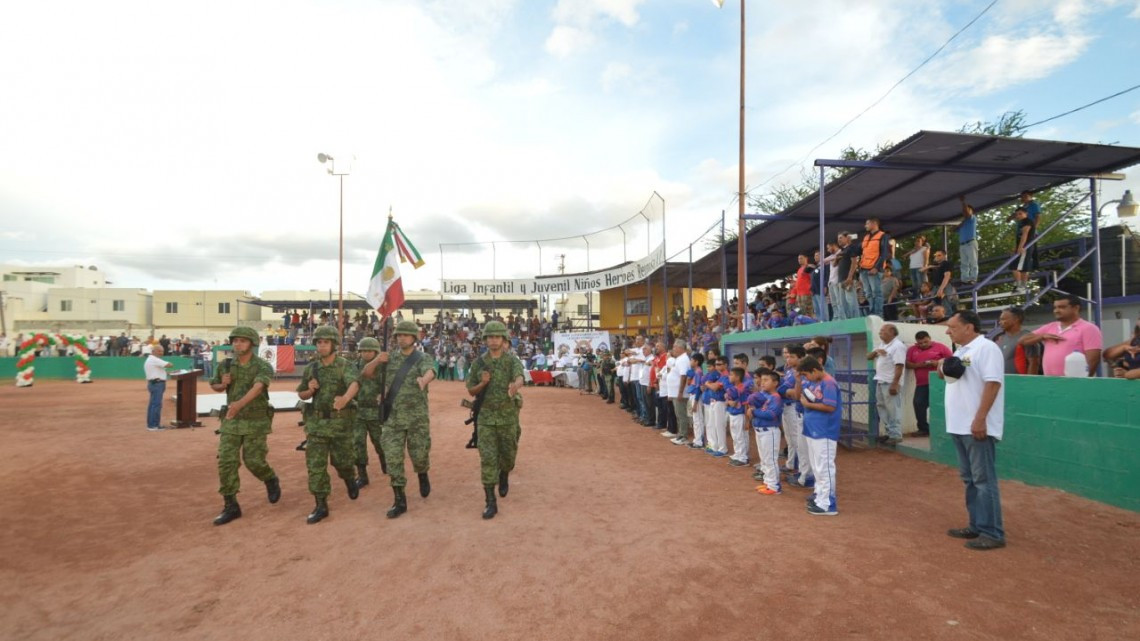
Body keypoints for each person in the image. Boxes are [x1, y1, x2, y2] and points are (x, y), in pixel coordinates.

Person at [940, 311, 1006, 550]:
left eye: (952, 327)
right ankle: (976, 525)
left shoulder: (986, 348)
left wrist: (980, 419)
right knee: (970, 479)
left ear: (969, 327)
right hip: (959, 424)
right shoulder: (962, 352)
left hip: (975, 425)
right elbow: (952, 377)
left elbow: (993, 383)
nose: (948, 331)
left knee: (982, 480)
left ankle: (992, 532)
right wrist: (945, 366)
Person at [208, 326, 280, 526]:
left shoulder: (262, 366)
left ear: (252, 343)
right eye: (235, 340)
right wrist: (221, 385)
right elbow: (214, 385)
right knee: (226, 461)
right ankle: (231, 505)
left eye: (242, 340)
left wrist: (239, 404)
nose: (237, 344)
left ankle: (270, 478)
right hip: (231, 421)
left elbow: (258, 387)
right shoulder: (226, 365)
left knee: (254, 461)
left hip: (255, 421)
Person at [295, 326, 360, 524]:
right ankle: (320, 504)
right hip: (317, 424)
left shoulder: (345, 365)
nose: (322, 346)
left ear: (334, 344)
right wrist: (309, 390)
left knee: (342, 462)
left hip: (340, 424)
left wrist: (346, 399)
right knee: (315, 465)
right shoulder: (312, 368)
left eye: (326, 342)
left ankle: (349, 478)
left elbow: (355, 384)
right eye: (319, 343)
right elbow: (301, 394)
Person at [374, 320, 436, 518]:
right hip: (392, 418)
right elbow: (375, 378)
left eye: (405, 335)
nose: (401, 338)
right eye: (399, 335)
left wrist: (423, 380)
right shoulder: (388, 358)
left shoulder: (421, 358)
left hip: (416, 418)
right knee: (393, 458)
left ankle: (422, 472)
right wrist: (377, 363)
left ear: (414, 338)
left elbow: (431, 370)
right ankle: (399, 499)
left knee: (419, 455)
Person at [465, 320, 524, 520]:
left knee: (508, 455)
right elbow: (470, 390)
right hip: (486, 418)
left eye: (497, 337)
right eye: (490, 337)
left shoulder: (511, 360)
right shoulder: (478, 364)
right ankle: (490, 501)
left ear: (504, 339)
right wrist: (482, 383)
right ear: (485, 340)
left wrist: (515, 385)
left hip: (507, 416)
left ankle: (504, 473)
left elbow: (519, 376)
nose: (493, 340)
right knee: (488, 459)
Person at [1019, 294, 1103, 377]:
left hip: (1073, 383)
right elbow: (1022, 340)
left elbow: (1093, 359)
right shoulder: (1050, 326)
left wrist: (1083, 382)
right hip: (1050, 382)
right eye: (1055, 307)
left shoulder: (1089, 328)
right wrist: (1042, 336)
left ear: (1076, 308)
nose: (1056, 310)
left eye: (1062, 307)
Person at [797, 356, 840, 516]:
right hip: (813, 429)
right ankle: (820, 496)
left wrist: (808, 405)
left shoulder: (828, 382)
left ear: (815, 371)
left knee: (825, 467)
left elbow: (829, 406)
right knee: (817, 466)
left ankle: (828, 504)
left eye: (806, 374)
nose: (806, 378)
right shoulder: (815, 382)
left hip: (825, 431)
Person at [354, 336, 387, 490]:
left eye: (370, 351)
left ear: (376, 352)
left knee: (380, 442)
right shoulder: (354, 366)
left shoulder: (384, 368)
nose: (366, 354)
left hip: (375, 412)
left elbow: (389, 385)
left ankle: (386, 464)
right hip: (358, 411)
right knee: (358, 444)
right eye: (363, 351)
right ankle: (362, 475)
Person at [905, 330, 952, 437]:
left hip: (939, 382)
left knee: (939, 405)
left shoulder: (941, 347)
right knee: (918, 404)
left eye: (925, 342)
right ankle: (924, 429)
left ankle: (944, 428)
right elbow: (908, 364)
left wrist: (937, 363)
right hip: (921, 383)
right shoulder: (912, 349)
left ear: (930, 338)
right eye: (920, 343)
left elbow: (952, 360)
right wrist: (920, 365)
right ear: (917, 342)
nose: (923, 345)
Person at [869, 324, 907, 444]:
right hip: (881, 381)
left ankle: (895, 434)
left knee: (893, 409)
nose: (880, 333)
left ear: (892, 332)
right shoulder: (882, 345)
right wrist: (876, 352)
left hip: (890, 382)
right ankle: (888, 433)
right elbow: (868, 357)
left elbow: (899, 365)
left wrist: (895, 384)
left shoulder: (898, 346)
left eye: (883, 331)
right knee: (882, 407)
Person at [747, 370, 783, 495]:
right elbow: (752, 402)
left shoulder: (776, 398)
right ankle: (768, 482)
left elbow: (771, 414)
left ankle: (774, 486)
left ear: (775, 383)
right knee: (764, 459)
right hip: (760, 430)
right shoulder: (763, 395)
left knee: (770, 459)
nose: (762, 383)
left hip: (770, 431)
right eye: (762, 380)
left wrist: (754, 412)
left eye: (766, 380)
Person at [779, 345, 810, 486]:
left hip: (795, 407)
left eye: (792, 356)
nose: (788, 358)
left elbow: (792, 392)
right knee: (792, 439)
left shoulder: (803, 372)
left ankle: (804, 473)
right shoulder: (790, 370)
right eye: (787, 356)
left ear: (801, 358)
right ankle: (796, 467)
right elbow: (785, 388)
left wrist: (788, 391)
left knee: (800, 442)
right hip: (794, 407)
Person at [857, 217, 891, 317]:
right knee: (868, 293)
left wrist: (876, 267)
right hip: (863, 268)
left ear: (874, 223)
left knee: (876, 292)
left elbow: (884, 253)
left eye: (867, 224)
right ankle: (872, 312)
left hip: (874, 268)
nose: (865, 226)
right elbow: (861, 250)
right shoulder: (866, 237)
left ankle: (878, 314)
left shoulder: (883, 236)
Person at [993, 307, 1041, 375]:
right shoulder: (1000, 338)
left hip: (1019, 383)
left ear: (1016, 319)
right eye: (1000, 320)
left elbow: (1034, 363)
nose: (1000, 322)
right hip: (1001, 381)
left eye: (1003, 319)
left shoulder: (1027, 337)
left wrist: (1029, 384)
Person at [724, 367, 751, 467]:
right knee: (735, 436)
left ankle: (743, 458)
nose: (729, 376)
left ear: (738, 377)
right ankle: (738, 454)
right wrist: (729, 401)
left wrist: (747, 420)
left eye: (731, 375)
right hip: (733, 413)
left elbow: (745, 404)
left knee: (740, 436)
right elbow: (728, 398)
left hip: (740, 414)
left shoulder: (742, 388)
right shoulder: (734, 387)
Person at [144, 345, 173, 431]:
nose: (161, 353)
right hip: (157, 384)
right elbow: (170, 364)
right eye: (159, 351)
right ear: (153, 351)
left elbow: (157, 370)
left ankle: (151, 424)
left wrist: (165, 373)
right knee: (156, 405)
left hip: (154, 383)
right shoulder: (154, 359)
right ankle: (154, 425)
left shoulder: (151, 359)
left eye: (162, 351)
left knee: (153, 405)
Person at [668, 340, 692, 446]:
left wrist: (680, 392)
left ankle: (683, 436)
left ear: (680, 348)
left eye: (675, 347)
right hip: (675, 392)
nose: (673, 349)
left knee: (681, 414)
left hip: (680, 392)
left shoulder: (683, 359)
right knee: (678, 414)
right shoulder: (679, 359)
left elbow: (684, 376)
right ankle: (680, 434)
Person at [1011, 207, 1036, 294]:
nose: (1018, 216)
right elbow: (1020, 237)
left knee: (1015, 267)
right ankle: (1023, 286)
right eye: (1017, 214)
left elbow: (1025, 235)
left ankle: (1020, 286)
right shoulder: (1021, 223)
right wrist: (1017, 247)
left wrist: (1020, 247)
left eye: (1020, 213)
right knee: (1022, 268)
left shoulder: (1027, 221)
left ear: (1026, 214)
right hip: (1024, 247)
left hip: (1025, 247)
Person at [685, 353, 707, 450]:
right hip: (693, 396)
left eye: (692, 360)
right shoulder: (696, 372)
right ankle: (697, 440)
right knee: (696, 419)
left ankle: (699, 441)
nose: (690, 362)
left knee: (698, 419)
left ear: (696, 362)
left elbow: (698, 389)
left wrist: (695, 402)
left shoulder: (698, 372)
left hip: (696, 397)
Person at [837, 231, 860, 320]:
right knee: (843, 303)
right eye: (838, 238)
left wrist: (850, 277)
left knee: (851, 300)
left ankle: (855, 320)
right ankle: (848, 321)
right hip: (841, 279)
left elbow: (854, 263)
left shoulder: (851, 248)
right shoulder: (842, 251)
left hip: (848, 279)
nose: (839, 240)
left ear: (847, 238)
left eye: (841, 238)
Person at [957, 196, 978, 284]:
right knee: (964, 263)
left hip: (970, 243)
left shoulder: (972, 218)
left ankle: (973, 278)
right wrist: (960, 224)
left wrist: (963, 202)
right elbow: (952, 229)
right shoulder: (963, 222)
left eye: (968, 210)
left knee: (973, 261)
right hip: (962, 244)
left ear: (972, 211)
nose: (965, 211)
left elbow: (967, 213)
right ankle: (965, 279)